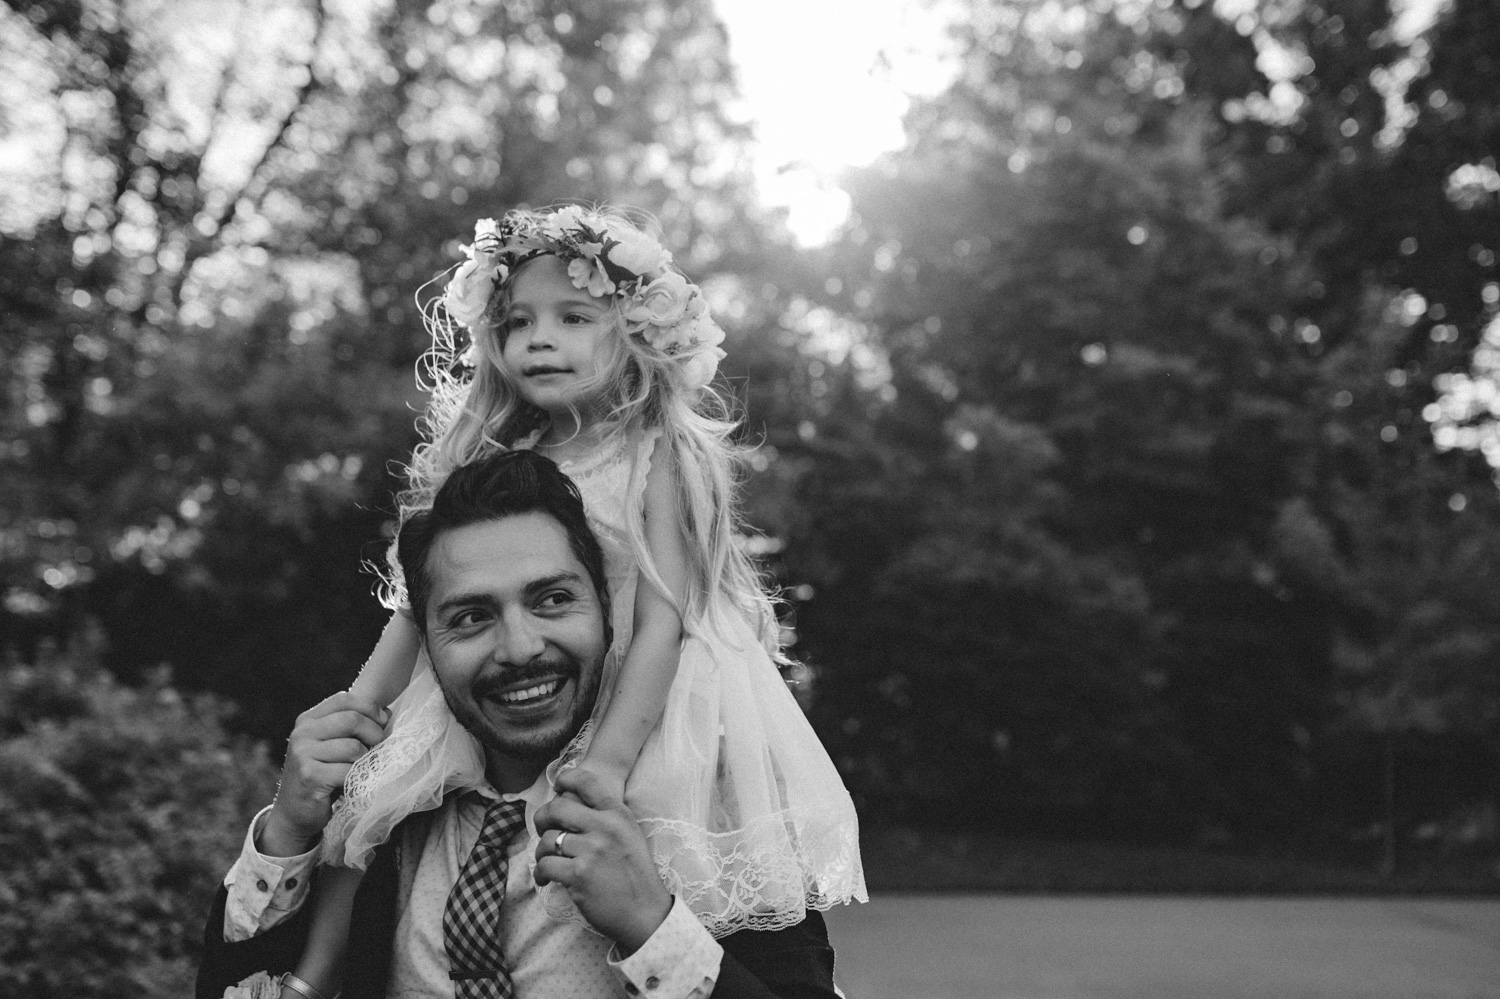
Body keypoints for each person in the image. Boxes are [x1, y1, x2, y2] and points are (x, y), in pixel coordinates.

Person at [277, 205, 865, 997]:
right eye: (518, 321)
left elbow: (665, 620)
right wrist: (361, 707)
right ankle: (306, 981)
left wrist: (607, 761)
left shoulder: (660, 450)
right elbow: (417, 611)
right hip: (515, 697)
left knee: (639, 856)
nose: (538, 338)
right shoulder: (497, 463)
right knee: (368, 810)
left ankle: (655, 950)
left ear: (635, 331)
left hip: (637, 702)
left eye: (573, 317)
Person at [196, 450, 842, 999]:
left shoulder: (706, 815)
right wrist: (285, 832)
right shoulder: (384, 823)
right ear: (426, 639)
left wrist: (654, 925)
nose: (520, 647)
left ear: (608, 615)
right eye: (472, 616)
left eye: (553, 599)